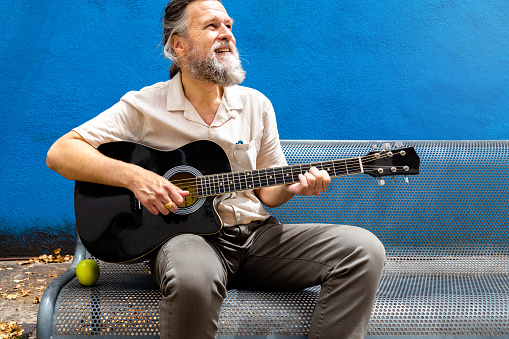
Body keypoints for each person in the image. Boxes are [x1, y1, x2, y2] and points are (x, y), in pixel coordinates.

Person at [46, 0, 386, 337]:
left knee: (364, 250)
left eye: (229, 26)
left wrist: (295, 186)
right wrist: (136, 178)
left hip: (256, 238)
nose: (227, 35)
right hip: (186, 239)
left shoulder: (256, 105)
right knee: (192, 278)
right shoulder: (144, 106)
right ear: (179, 45)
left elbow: (269, 192)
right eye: (212, 26)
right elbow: (61, 152)